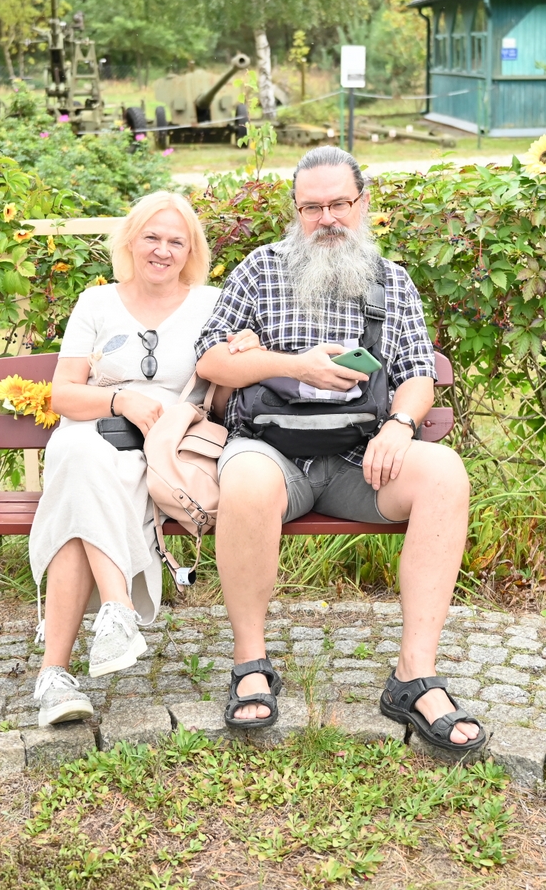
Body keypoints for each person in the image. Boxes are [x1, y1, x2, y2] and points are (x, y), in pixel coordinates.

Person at [193, 145, 484, 754]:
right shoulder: (259, 270)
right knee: (243, 478)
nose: (326, 218)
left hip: (362, 459)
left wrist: (400, 425)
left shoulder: (391, 280)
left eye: (338, 204)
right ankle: (250, 664)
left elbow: (417, 374)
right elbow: (211, 359)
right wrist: (293, 365)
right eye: (312, 207)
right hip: (271, 454)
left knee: (444, 472)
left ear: (362, 203)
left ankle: (414, 676)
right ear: (296, 211)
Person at [28, 191, 255, 727]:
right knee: (77, 453)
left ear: (191, 251)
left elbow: (219, 402)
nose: (162, 250)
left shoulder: (211, 303)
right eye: (152, 237)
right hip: (94, 432)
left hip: (161, 451)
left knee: (76, 491)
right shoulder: (96, 303)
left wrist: (240, 356)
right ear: (130, 241)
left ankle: (53, 675)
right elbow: (63, 394)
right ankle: (119, 611)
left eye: (177, 241)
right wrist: (120, 400)